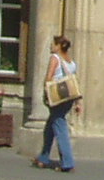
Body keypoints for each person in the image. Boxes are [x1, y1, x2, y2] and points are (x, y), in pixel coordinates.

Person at [33, 35, 77, 171]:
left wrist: (45, 92)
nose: (51, 46)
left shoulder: (55, 58)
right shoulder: (71, 61)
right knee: (50, 127)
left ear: (58, 46)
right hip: (68, 97)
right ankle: (43, 158)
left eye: (53, 44)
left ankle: (67, 162)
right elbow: (74, 80)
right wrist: (78, 102)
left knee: (60, 126)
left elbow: (49, 77)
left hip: (57, 97)